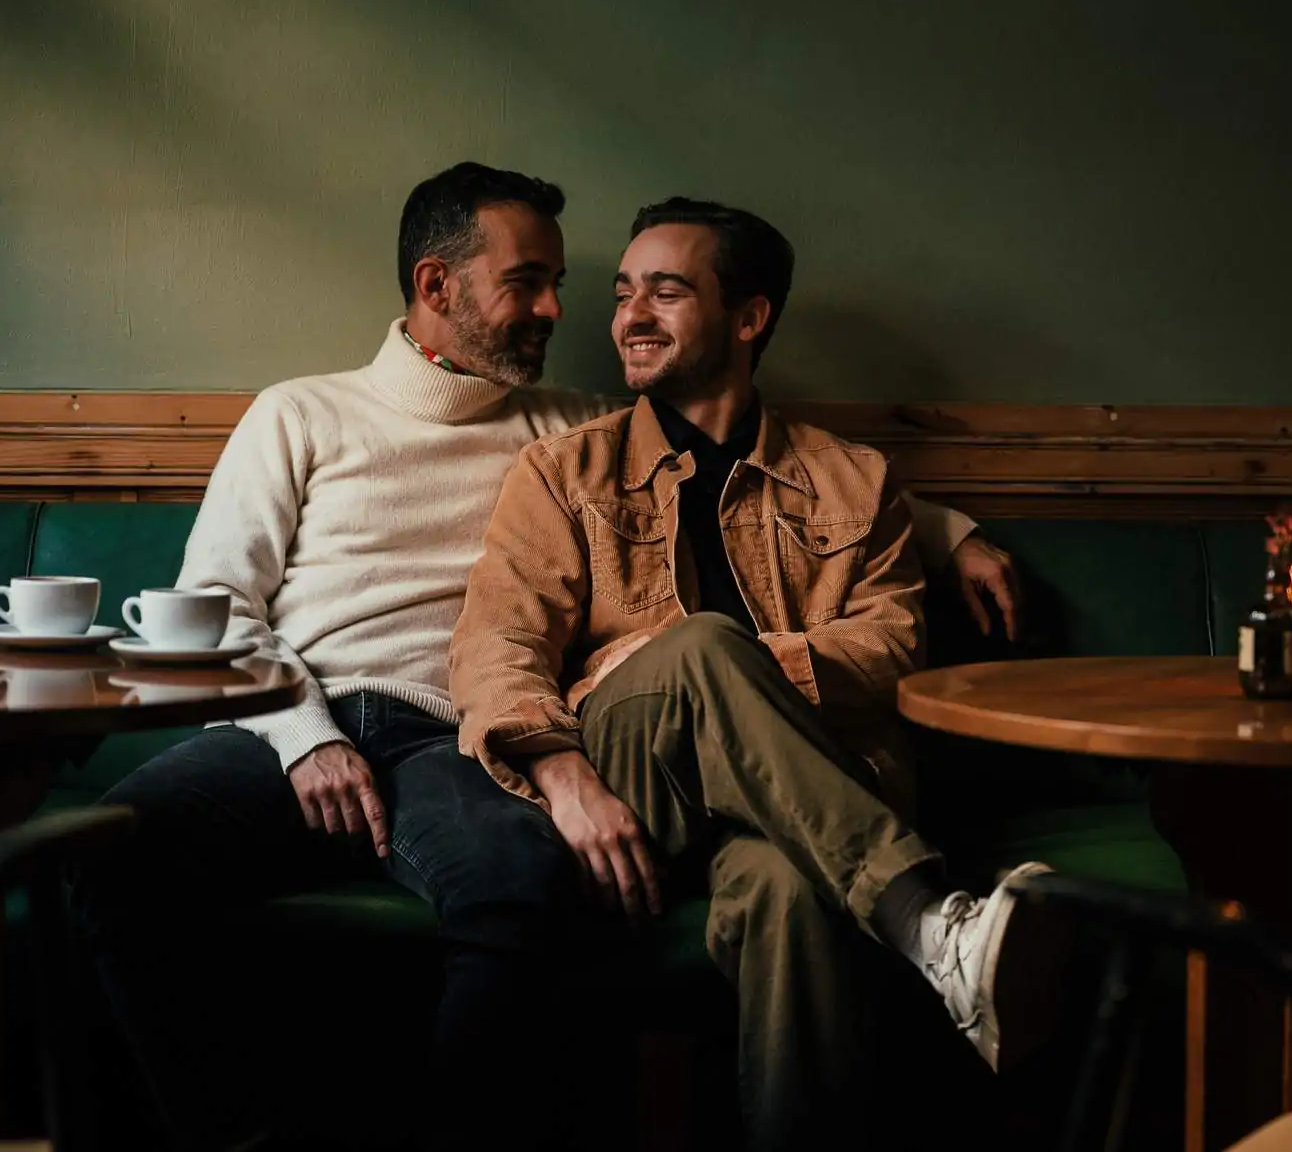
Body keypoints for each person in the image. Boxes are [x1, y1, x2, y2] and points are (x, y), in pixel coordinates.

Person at [73, 164, 1019, 1150]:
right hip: (306, 720)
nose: (559, 309)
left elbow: (763, 468)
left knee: (532, 897)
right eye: (530, 283)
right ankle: (227, 1138)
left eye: (563, 282)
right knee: (106, 852)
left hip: (461, 741)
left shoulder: (565, 425)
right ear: (439, 287)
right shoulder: (307, 415)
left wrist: (949, 532)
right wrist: (305, 738)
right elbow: (215, 607)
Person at [451, 198, 1065, 1152]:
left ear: (749, 317)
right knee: (697, 643)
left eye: (666, 290)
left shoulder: (853, 478)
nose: (629, 316)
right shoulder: (563, 472)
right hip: (634, 779)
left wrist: (737, 675)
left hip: (802, 808)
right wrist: (565, 769)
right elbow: (496, 648)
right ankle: (929, 922)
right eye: (621, 294)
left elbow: (893, 645)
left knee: (786, 888)